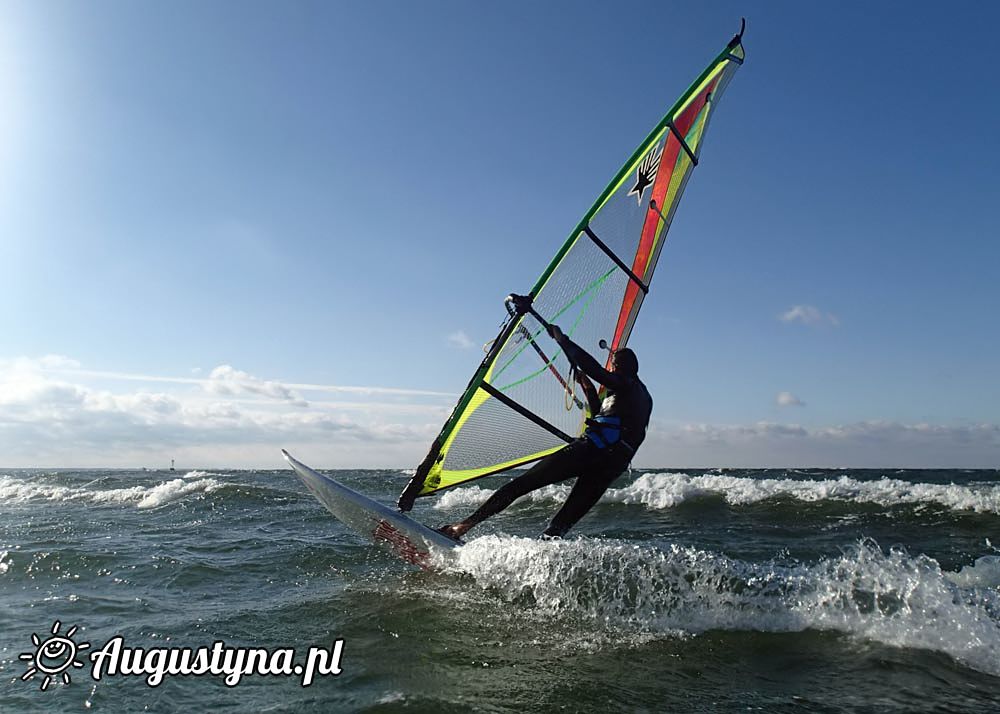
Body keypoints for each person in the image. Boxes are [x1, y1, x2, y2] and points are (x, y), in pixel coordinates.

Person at [438, 323, 653, 540]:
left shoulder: (626, 382)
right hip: (611, 467)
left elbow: (594, 369)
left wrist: (562, 339)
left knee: (521, 485)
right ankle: (543, 561)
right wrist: (588, 388)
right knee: (561, 524)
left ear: (617, 367)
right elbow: (604, 416)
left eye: (612, 367)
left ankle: (461, 527)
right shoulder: (642, 397)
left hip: (592, 450)